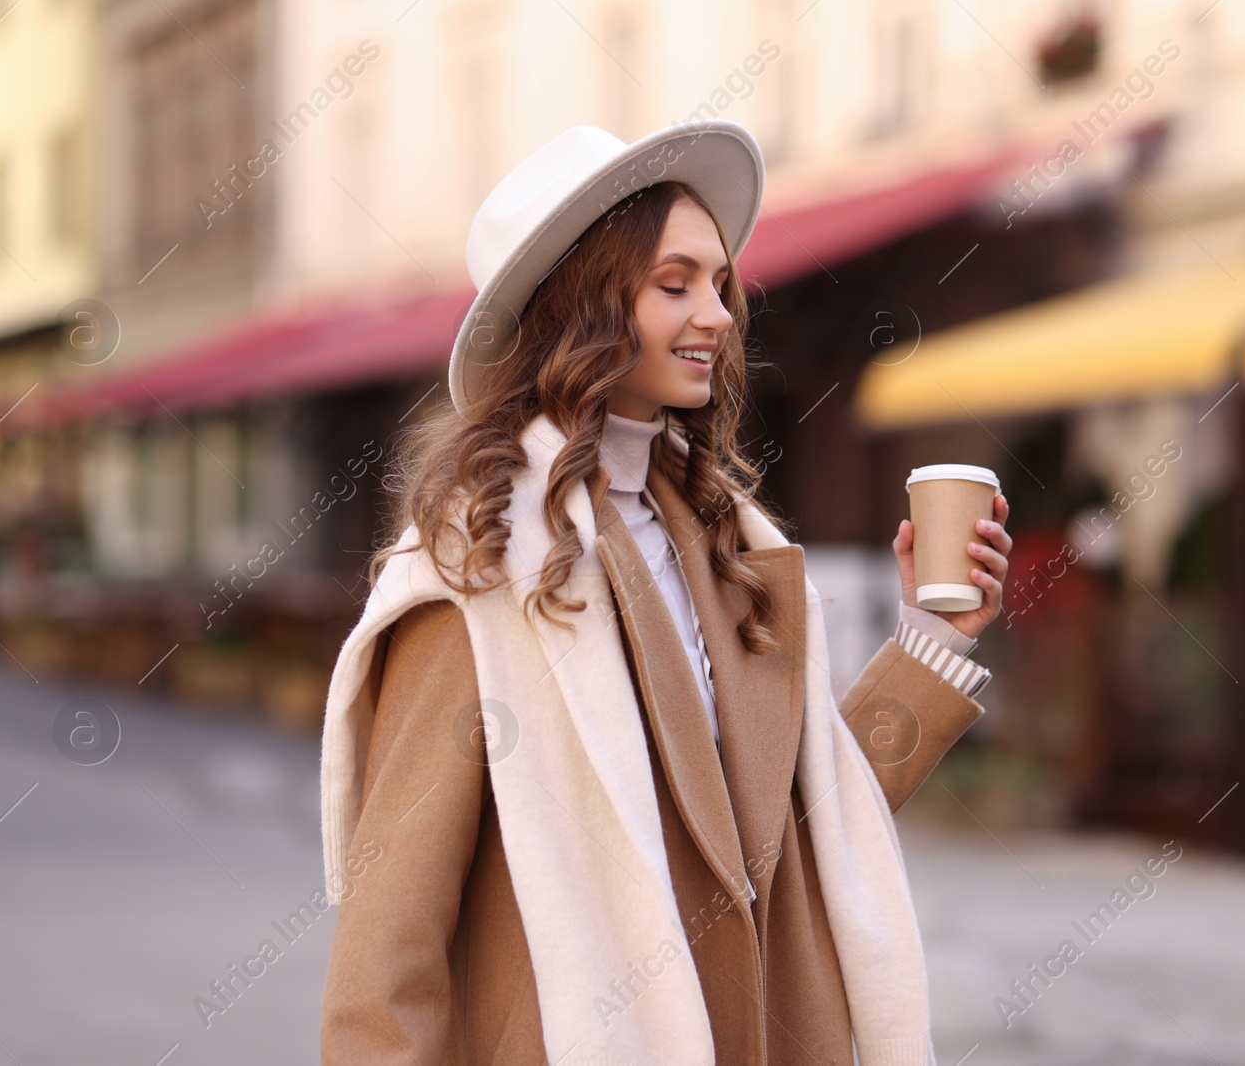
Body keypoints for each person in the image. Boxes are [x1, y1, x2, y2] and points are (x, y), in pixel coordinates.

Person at [317, 120, 1012, 1066]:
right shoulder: (476, 570)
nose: (719, 314)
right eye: (674, 283)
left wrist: (935, 633)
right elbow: (388, 947)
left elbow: (807, 831)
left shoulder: (727, 544)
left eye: (720, 284)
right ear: (583, 306)